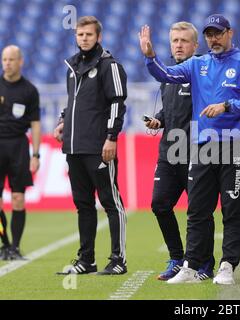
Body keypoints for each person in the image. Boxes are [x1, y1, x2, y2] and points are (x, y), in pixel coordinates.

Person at [139, 14, 240, 284]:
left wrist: (228, 105)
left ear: (229, 33)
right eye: (209, 34)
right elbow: (166, 74)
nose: (213, 38)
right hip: (202, 147)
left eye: (218, 33)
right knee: (198, 209)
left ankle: (227, 265)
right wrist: (151, 57)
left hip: (234, 145)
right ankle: (191, 266)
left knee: (232, 210)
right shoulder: (198, 64)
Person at [53, 16, 128, 275]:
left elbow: (118, 103)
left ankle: (118, 260)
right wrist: (63, 120)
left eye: (89, 34)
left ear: (98, 37)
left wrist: (111, 137)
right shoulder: (72, 67)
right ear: (75, 36)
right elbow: (73, 101)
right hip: (74, 147)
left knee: (110, 202)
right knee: (83, 205)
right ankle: (87, 260)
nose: (84, 38)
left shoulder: (110, 66)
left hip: (98, 146)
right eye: (80, 34)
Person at [145, 21, 215, 281]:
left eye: (184, 40)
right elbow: (169, 109)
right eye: (175, 40)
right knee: (159, 204)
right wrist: (159, 120)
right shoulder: (169, 75)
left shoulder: (202, 72)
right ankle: (177, 257)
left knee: (199, 209)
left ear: (195, 46)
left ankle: (205, 263)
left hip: (197, 152)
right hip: (169, 151)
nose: (178, 45)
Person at [0, 45, 40, 260]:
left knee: (17, 198)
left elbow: (35, 124)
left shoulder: (29, 90)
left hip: (18, 147)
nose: (7, 63)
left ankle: (15, 246)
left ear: (20, 61)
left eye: (11, 59)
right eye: (4, 59)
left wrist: (36, 154)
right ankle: (4, 243)